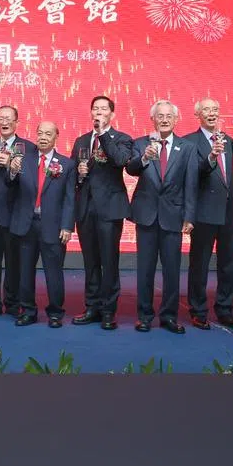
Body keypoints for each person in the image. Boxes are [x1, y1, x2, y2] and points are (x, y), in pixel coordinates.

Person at [126, 100, 197, 334]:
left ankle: (169, 316)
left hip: (173, 216)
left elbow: (191, 184)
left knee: (172, 270)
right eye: (160, 116)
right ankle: (144, 316)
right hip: (146, 215)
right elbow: (131, 169)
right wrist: (145, 157)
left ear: (176, 120)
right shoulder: (140, 143)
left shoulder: (186, 147)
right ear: (152, 120)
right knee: (145, 269)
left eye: (169, 116)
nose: (164, 119)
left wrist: (189, 216)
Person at [70, 95, 133, 331]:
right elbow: (71, 174)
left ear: (111, 114)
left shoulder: (123, 139)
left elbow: (119, 161)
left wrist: (104, 134)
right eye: (95, 108)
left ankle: (109, 310)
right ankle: (92, 307)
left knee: (109, 260)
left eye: (103, 109)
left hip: (109, 208)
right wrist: (79, 172)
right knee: (90, 261)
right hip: (86, 207)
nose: (98, 112)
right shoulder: (81, 140)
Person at [183, 98, 233, 329]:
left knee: (228, 263)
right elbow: (192, 175)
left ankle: (225, 309)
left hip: (228, 210)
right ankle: (197, 310)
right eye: (206, 110)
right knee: (200, 263)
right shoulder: (189, 142)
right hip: (203, 210)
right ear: (197, 114)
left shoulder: (228, 140)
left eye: (215, 110)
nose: (211, 113)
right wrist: (211, 157)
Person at [8, 121, 75, 327]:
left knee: (53, 272)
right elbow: (11, 187)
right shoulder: (23, 160)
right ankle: (28, 310)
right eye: (40, 133)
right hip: (27, 225)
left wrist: (67, 226)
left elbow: (70, 198)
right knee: (25, 271)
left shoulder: (66, 164)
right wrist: (11, 171)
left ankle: (55, 313)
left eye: (48, 133)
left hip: (53, 226)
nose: (43, 137)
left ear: (56, 137)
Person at [0, 105, 38, 318]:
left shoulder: (29, 148)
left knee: (14, 264)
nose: (4, 122)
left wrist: (13, 165)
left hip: (15, 215)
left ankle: (12, 304)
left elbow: (32, 182)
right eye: (0, 118)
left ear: (17, 122)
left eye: (8, 118)